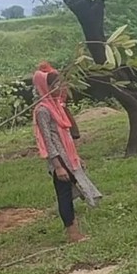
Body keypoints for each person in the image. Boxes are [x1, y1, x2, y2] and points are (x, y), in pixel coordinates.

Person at [32, 62, 101, 243]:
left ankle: (75, 229)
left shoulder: (57, 107)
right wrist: (57, 166)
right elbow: (48, 140)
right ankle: (72, 233)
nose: (59, 88)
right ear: (44, 87)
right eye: (54, 85)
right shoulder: (43, 110)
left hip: (68, 157)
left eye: (59, 84)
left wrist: (77, 158)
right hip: (59, 161)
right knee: (64, 194)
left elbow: (66, 136)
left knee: (72, 190)